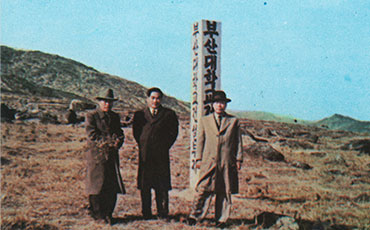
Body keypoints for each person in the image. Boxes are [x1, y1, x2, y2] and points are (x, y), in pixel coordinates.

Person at [189, 90, 243, 227]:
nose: (220, 106)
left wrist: (238, 159)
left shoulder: (233, 121)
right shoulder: (205, 120)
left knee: (224, 190)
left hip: (226, 161)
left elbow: (238, 141)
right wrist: (198, 158)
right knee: (203, 189)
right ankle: (195, 216)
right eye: (217, 103)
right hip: (208, 161)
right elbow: (200, 140)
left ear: (226, 105)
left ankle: (221, 219)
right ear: (212, 105)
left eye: (222, 103)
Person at [132, 87, 179, 220]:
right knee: (145, 185)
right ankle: (146, 213)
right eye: (152, 98)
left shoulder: (169, 114)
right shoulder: (140, 115)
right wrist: (144, 144)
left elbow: (173, 133)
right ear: (147, 99)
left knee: (161, 185)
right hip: (145, 155)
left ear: (161, 99)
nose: (155, 101)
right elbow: (137, 133)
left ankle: (162, 212)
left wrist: (164, 146)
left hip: (161, 155)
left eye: (158, 98)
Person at [85, 89, 125, 225]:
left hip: (112, 156)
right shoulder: (92, 116)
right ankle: (97, 214)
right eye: (104, 101)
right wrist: (107, 142)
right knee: (96, 185)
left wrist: (118, 141)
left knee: (111, 185)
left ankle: (108, 213)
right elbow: (92, 135)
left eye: (109, 102)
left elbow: (120, 133)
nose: (107, 104)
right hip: (97, 156)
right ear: (99, 102)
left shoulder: (114, 117)